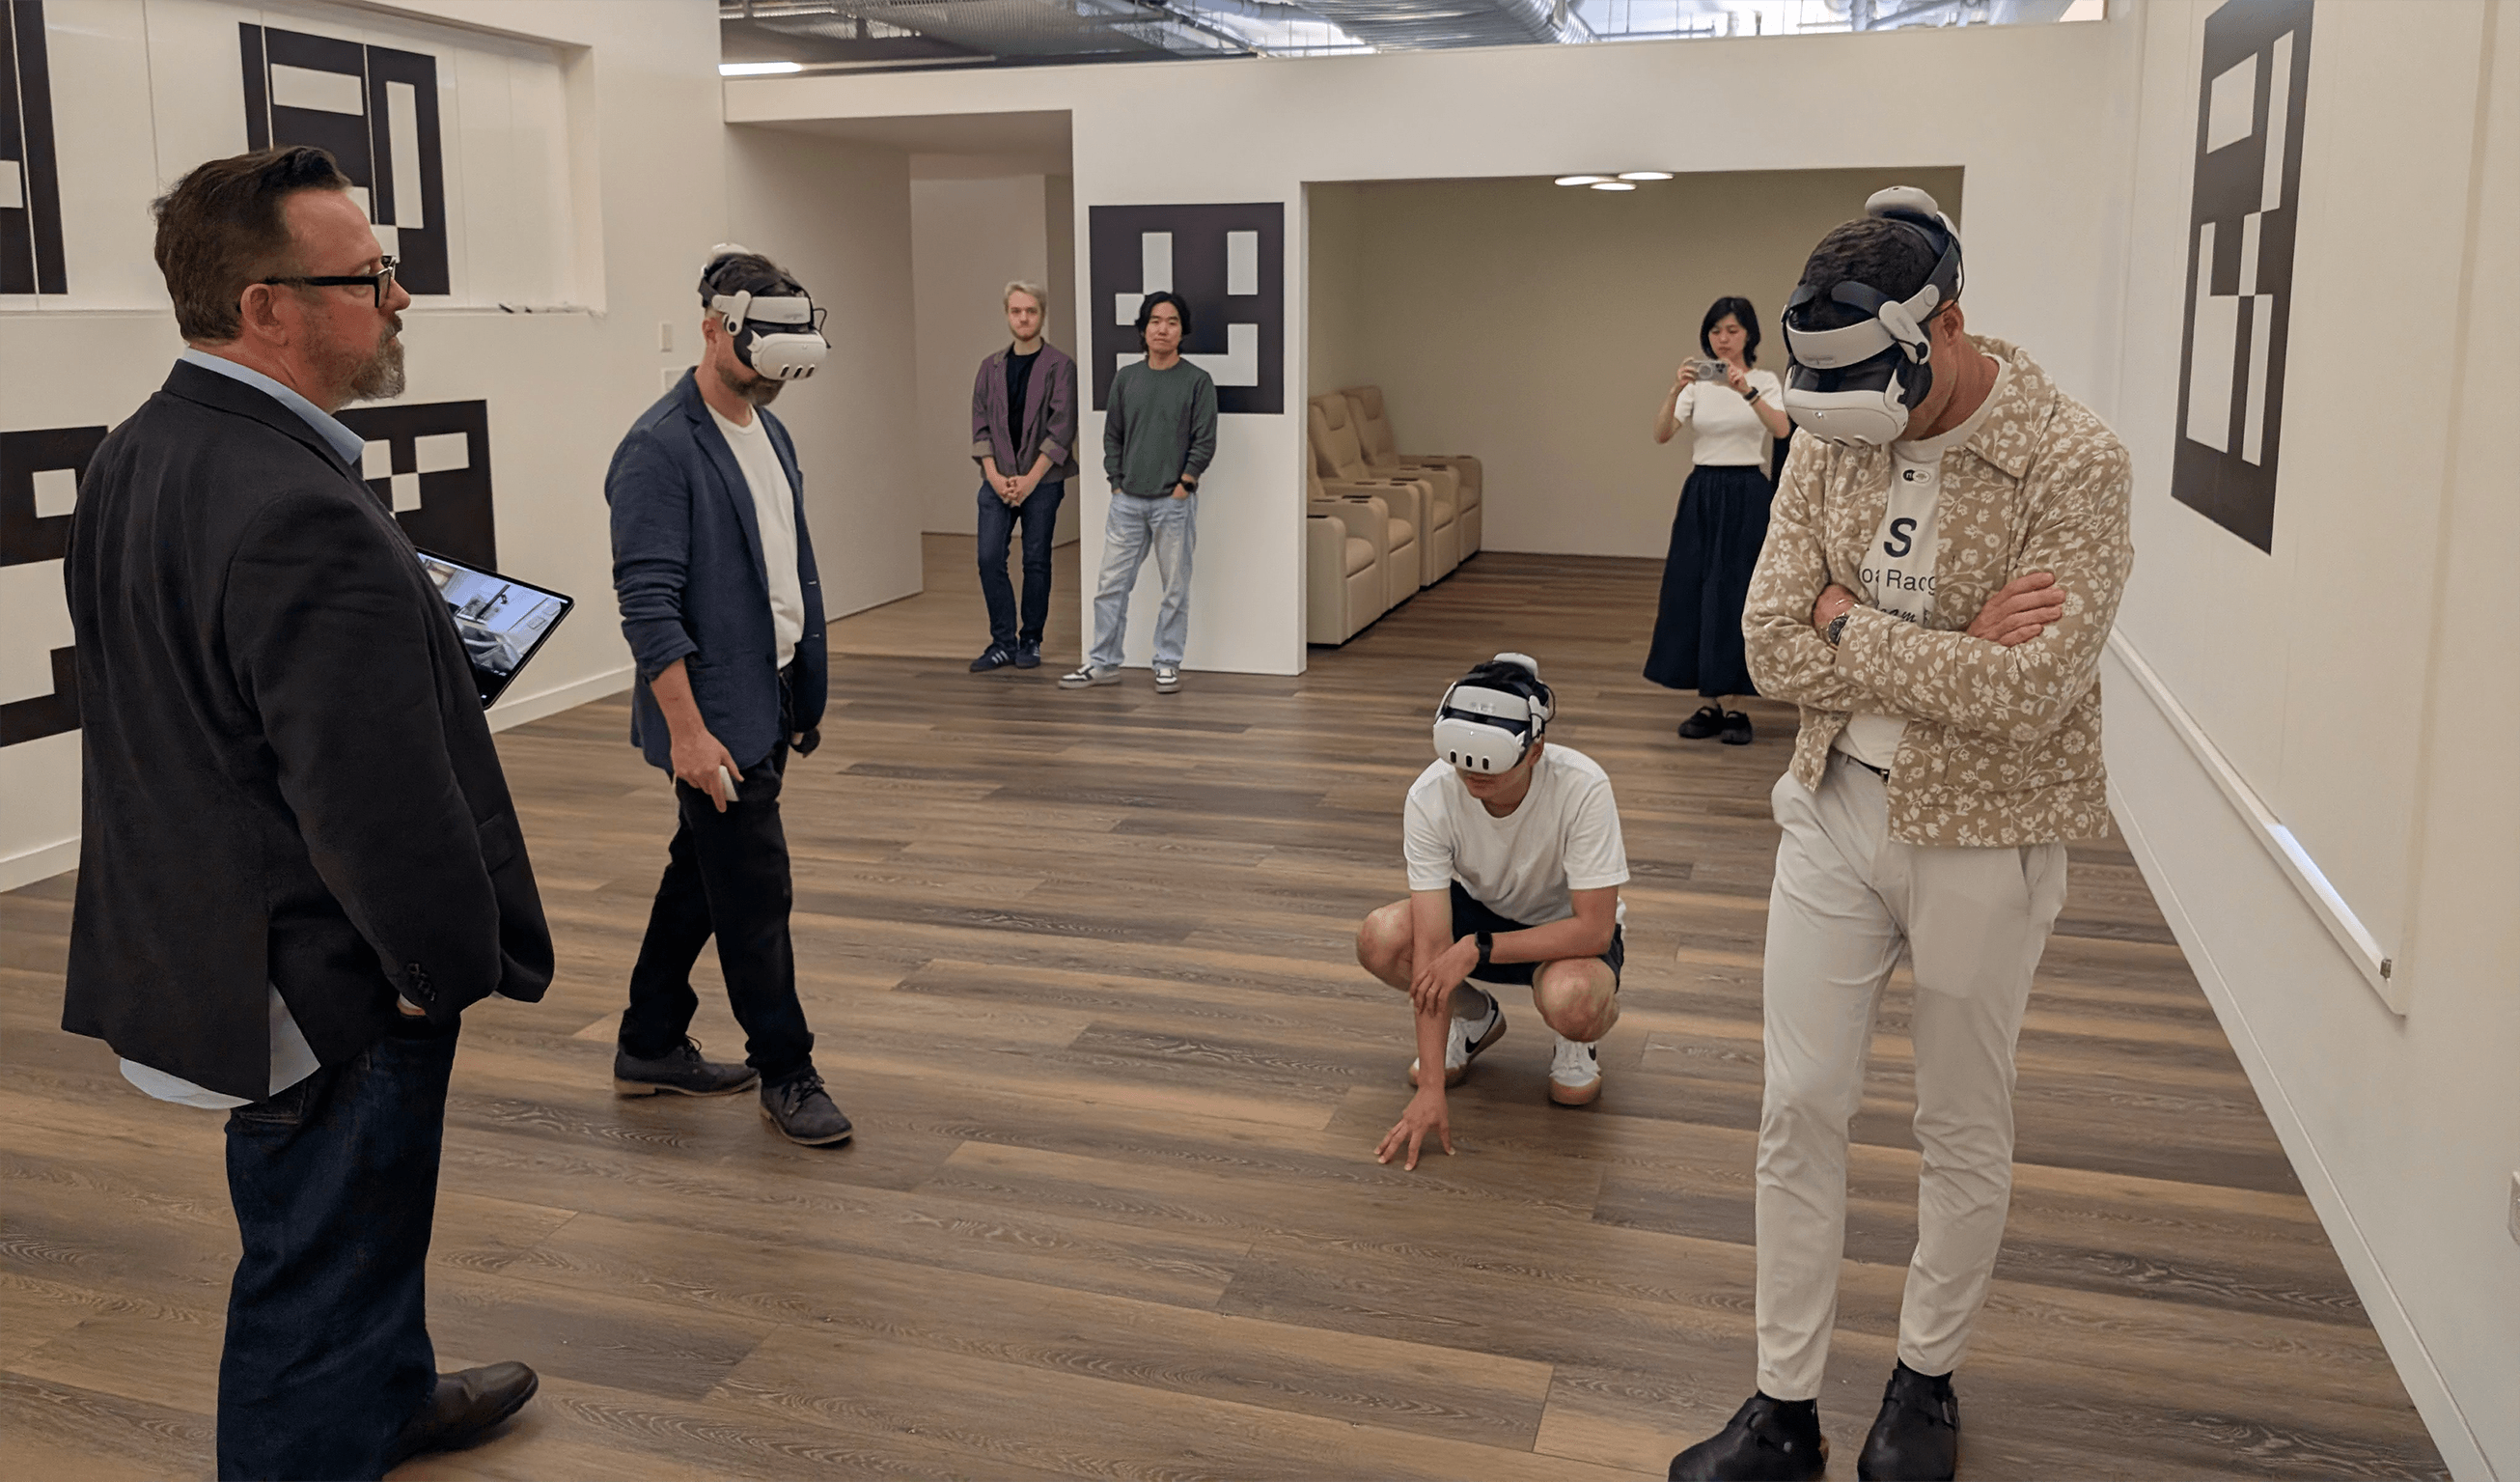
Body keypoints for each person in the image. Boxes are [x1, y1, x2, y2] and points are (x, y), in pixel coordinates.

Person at [62, 145, 550, 1480]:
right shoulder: (291, 504)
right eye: (368, 277)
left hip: (211, 937)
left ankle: (388, 1393)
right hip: (321, 972)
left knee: (359, 1229)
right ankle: (330, 1421)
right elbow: (372, 805)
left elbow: (209, 694)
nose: (398, 299)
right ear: (264, 306)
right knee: (316, 1268)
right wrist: (428, 972)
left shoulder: (143, 450)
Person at [1667, 188, 2131, 1482]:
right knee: (1796, 1104)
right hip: (1830, 803)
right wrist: (1929, 645)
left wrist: (1845, 623)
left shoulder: (2071, 460)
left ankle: (1923, 1377)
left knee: (1957, 1116)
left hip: (1986, 827)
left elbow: (2030, 689)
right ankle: (1781, 1403)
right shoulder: (1827, 427)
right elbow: (1765, 640)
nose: (1859, 430)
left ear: (1949, 329)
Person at [605, 245, 852, 1147]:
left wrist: (799, 686)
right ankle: (786, 1069)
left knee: (700, 878)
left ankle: (648, 1041)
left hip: (771, 691)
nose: (775, 376)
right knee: (755, 893)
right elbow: (648, 607)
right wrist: (688, 734)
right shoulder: (658, 450)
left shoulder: (768, 430)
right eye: (761, 355)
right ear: (714, 328)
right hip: (712, 715)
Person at [1358, 655, 1631, 1170]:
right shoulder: (1431, 795)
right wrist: (1432, 1087)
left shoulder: (1583, 787)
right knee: (1382, 936)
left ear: (1534, 752)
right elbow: (1431, 945)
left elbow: (1595, 930)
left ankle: (1574, 1039)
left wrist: (1478, 949)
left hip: (1565, 933)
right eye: (1462, 760)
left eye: (1491, 762)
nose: (1472, 774)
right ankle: (1475, 1020)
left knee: (1575, 1003)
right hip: (1480, 913)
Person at [1647, 295, 1792, 747]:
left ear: (1749, 334)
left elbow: (1782, 429)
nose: (1723, 339)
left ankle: (1737, 706)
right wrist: (1675, 390)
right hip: (1703, 491)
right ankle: (1708, 701)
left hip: (1747, 492)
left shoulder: (1765, 381)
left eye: (1732, 330)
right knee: (1693, 588)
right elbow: (1662, 434)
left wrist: (1745, 390)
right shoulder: (1697, 384)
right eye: (1715, 331)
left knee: (1737, 594)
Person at [1062, 290, 1216, 694]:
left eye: (1172, 322)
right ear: (1144, 329)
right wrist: (1115, 482)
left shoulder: (1197, 381)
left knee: (1174, 589)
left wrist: (1185, 485)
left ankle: (1167, 663)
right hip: (1127, 502)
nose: (1162, 329)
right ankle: (1102, 663)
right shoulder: (1126, 378)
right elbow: (1112, 435)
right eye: (1155, 321)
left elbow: (1204, 441)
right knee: (1110, 586)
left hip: (1173, 503)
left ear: (1182, 330)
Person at [968, 279, 1079, 672]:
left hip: (1042, 481)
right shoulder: (990, 367)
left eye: (1031, 311)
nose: (1024, 318)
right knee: (988, 557)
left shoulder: (1061, 366)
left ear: (1042, 315)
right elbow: (980, 427)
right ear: (1007, 315)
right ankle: (1002, 642)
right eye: (1016, 311)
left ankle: (1031, 638)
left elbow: (1061, 429)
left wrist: (1030, 480)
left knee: (1036, 559)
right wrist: (995, 477)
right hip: (997, 479)